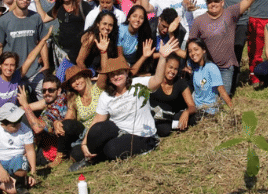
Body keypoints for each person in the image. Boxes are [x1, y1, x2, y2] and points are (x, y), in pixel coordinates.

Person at [72, 39, 178, 170]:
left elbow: (156, 80)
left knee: (111, 149)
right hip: (119, 131)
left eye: (120, 73)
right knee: (97, 130)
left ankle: (98, 156)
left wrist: (162, 57)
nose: (116, 77)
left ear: (126, 72)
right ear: (109, 77)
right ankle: (88, 158)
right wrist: (84, 143)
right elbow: (97, 120)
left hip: (142, 135)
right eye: (112, 74)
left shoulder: (138, 84)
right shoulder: (106, 95)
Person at [188, 0, 258, 93]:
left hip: (226, 68)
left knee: (222, 101)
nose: (213, 4)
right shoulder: (199, 21)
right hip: (207, 66)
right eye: (210, 2)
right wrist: (191, 64)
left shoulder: (230, 13)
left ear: (222, 2)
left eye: (216, 1)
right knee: (206, 97)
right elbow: (190, 44)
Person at [0, 0, 49, 83]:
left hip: (35, 70)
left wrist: (46, 65)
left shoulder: (36, 17)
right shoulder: (4, 20)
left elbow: (43, 42)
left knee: (46, 97)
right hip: (12, 72)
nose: (24, 0)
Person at [149, 55, 196, 137]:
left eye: (176, 69)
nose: (173, 71)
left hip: (171, 117)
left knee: (193, 118)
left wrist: (186, 112)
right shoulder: (153, 80)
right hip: (154, 118)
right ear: (163, 66)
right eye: (170, 67)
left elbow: (192, 106)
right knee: (164, 130)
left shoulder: (180, 82)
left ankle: (177, 125)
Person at [186, 38, 233, 115]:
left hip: (208, 110)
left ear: (204, 50)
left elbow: (222, 91)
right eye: (190, 51)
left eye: (196, 49)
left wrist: (233, 112)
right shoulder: (195, 68)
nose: (193, 53)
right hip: (196, 108)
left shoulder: (211, 68)